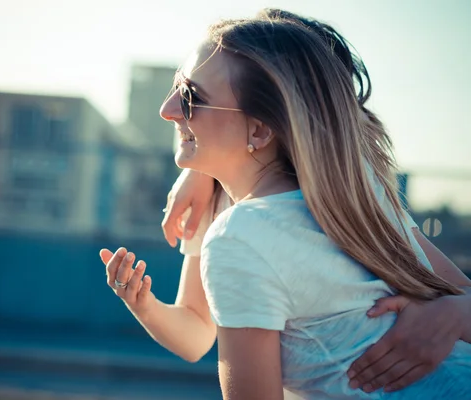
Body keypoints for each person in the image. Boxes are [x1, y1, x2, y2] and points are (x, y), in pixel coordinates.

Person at [100, 10, 471, 399]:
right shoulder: (346, 186)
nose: (168, 108)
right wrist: (144, 304)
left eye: (192, 97)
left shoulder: (246, 231)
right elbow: (196, 335)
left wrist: (446, 315)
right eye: (179, 86)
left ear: (262, 129)